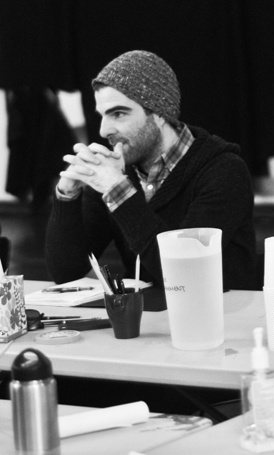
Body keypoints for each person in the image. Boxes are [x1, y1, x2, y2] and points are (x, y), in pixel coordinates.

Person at [45, 50, 257, 292]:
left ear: (159, 114)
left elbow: (183, 274)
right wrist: (67, 196)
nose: (104, 130)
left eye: (118, 114)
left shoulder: (224, 170)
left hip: (221, 310)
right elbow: (66, 272)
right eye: (102, 116)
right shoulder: (116, 173)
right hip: (145, 312)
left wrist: (119, 191)